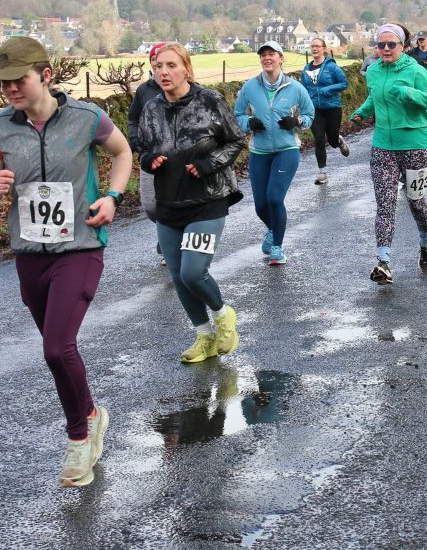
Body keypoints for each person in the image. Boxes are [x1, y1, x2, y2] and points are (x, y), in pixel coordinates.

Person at [0, 37, 132, 487]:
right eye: (4, 83)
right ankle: (91, 413)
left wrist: (113, 196)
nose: (11, 89)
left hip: (80, 247)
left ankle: (79, 438)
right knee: (57, 348)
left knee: (56, 347)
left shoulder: (87, 117)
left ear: (45, 76)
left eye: (19, 80)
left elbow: (122, 153)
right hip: (29, 253)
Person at [137, 42, 245, 365]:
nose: (164, 72)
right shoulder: (151, 108)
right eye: (158, 66)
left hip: (207, 200)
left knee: (193, 272)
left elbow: (236, 140)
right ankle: (204, 336)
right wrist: (148, 160)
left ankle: (224, 316)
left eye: (171, 65)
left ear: (187, 68)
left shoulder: (209, 100)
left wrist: (210, 164)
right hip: (169, 203)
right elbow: (142, 147)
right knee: (177, 275)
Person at [352, 23, 427, 284]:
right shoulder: (373, 71)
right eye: (381, 44)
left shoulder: (415, 70)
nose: (386, 49)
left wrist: (408, 93)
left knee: (416, 201)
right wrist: (362, 112)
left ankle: (425, 241)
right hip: (383, 146)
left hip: (415, 144)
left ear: (403, 46)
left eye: (391, 44)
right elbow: (374, 98)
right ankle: (383, 262)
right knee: (385, 203)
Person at [236, 40, 315, 264]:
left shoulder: (295, 88)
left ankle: (277, 247)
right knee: (260, 205)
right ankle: (273, 229)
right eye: (263, 55)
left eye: (272, 54)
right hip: (259, 151)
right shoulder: (249, 87)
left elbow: (309, 114)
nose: (267, 58)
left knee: (274, 198)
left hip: (286, 150)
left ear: (281, 58)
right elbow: (238, 114)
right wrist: (249, 123)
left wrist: (297, 122)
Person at [128, 42, 167, 265]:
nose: (159, 65)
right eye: (155, 60)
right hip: (149, 155)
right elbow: (133, 118)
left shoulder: (191, 89)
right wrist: (136, 142)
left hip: (178, 158)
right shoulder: (144, 90)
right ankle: (167, 231)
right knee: (151, 205)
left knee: (176, 200)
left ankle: (169, 241)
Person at [301, 36, 349, 186]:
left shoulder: (331, 67)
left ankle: (338, 141)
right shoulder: (306, 69)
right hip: (315, 110)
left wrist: (327, 89)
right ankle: (322, 173)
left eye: (317, 46)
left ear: (324, 49)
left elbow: (344, 83)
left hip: (332, 108)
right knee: (319, 139)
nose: (314, 48)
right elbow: (303, 90)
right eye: (312, 46)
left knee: (332, 141)